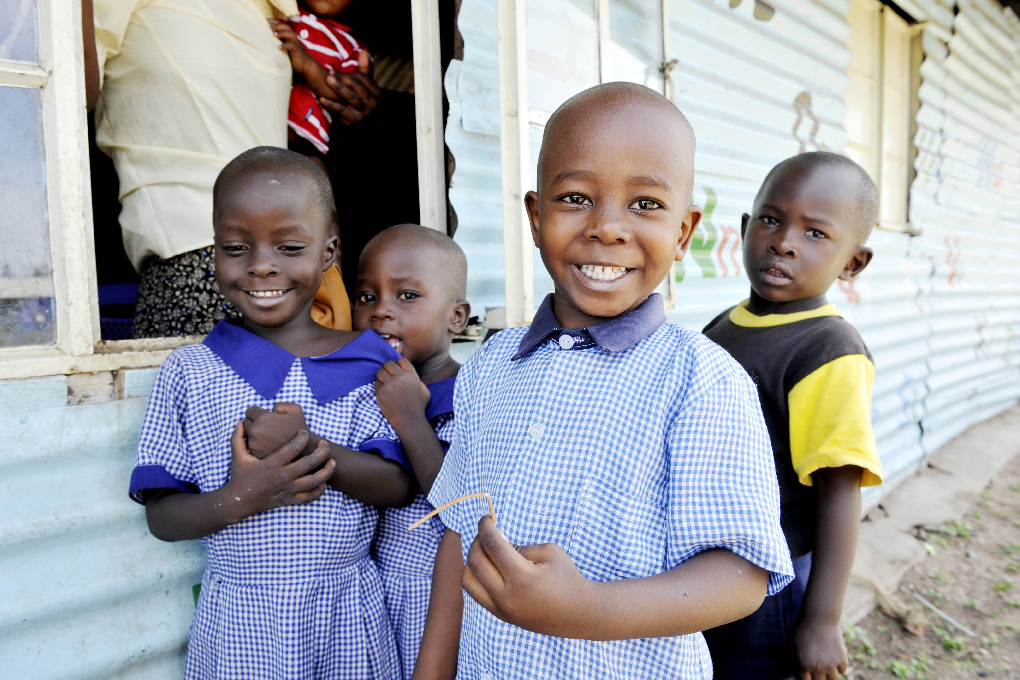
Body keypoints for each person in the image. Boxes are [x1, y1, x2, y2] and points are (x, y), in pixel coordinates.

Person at [413, 82, 795, 680]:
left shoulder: (703, 380)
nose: (608, 227)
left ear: (684, 231)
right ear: (535, 218)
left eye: (645, 204)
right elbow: (457, 539)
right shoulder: (491, 366)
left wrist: (585, 609)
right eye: (575, 197)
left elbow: (741, 576)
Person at [127, 147, 416, 679]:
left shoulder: (371, 360)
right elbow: (163, 517)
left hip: (346, 613)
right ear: (214, 251)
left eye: (288, 246)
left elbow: (399, 485)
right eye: (236, 247)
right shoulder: (190, 372)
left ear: (328, 251)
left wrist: (309, 448)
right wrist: (247, 495)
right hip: (241, 620)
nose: (261, 264)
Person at [85, 0, 379, 337]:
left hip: (291, 266)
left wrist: (338, 105)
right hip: (194, 254)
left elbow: (269, 140)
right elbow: (66, 83)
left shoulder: (276, 13)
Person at [701, 151, 884, 680]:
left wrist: (823, 620)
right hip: (700, 565)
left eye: (816, 234)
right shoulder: (723, 326)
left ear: (853, 262)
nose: (784, 242)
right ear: (744, 228)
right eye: (772, 219)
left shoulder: (829, 348)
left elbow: (840, 489)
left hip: (770, 580)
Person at [354, 224, 471, 679]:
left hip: (434, 600)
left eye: (406, 296)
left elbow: (457, 506)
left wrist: (409, 419)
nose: (381, 311)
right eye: (366, 296)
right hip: (374, 593)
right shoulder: (367, 390)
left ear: (456, 317)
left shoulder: (471, 395)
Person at [269, 0, 374, 158]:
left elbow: (342, 96)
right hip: (264, 104)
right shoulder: (282, 8)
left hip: (304, 131)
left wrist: (308, 66)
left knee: (313, 170)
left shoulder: (353, 49)